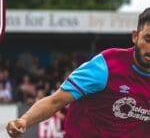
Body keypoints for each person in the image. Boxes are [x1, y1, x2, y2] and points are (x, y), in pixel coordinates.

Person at [6, 8, 150, 138]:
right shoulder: (105, 66)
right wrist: (24, 120)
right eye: (148, 39)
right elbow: (55, 101)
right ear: (135, 36)